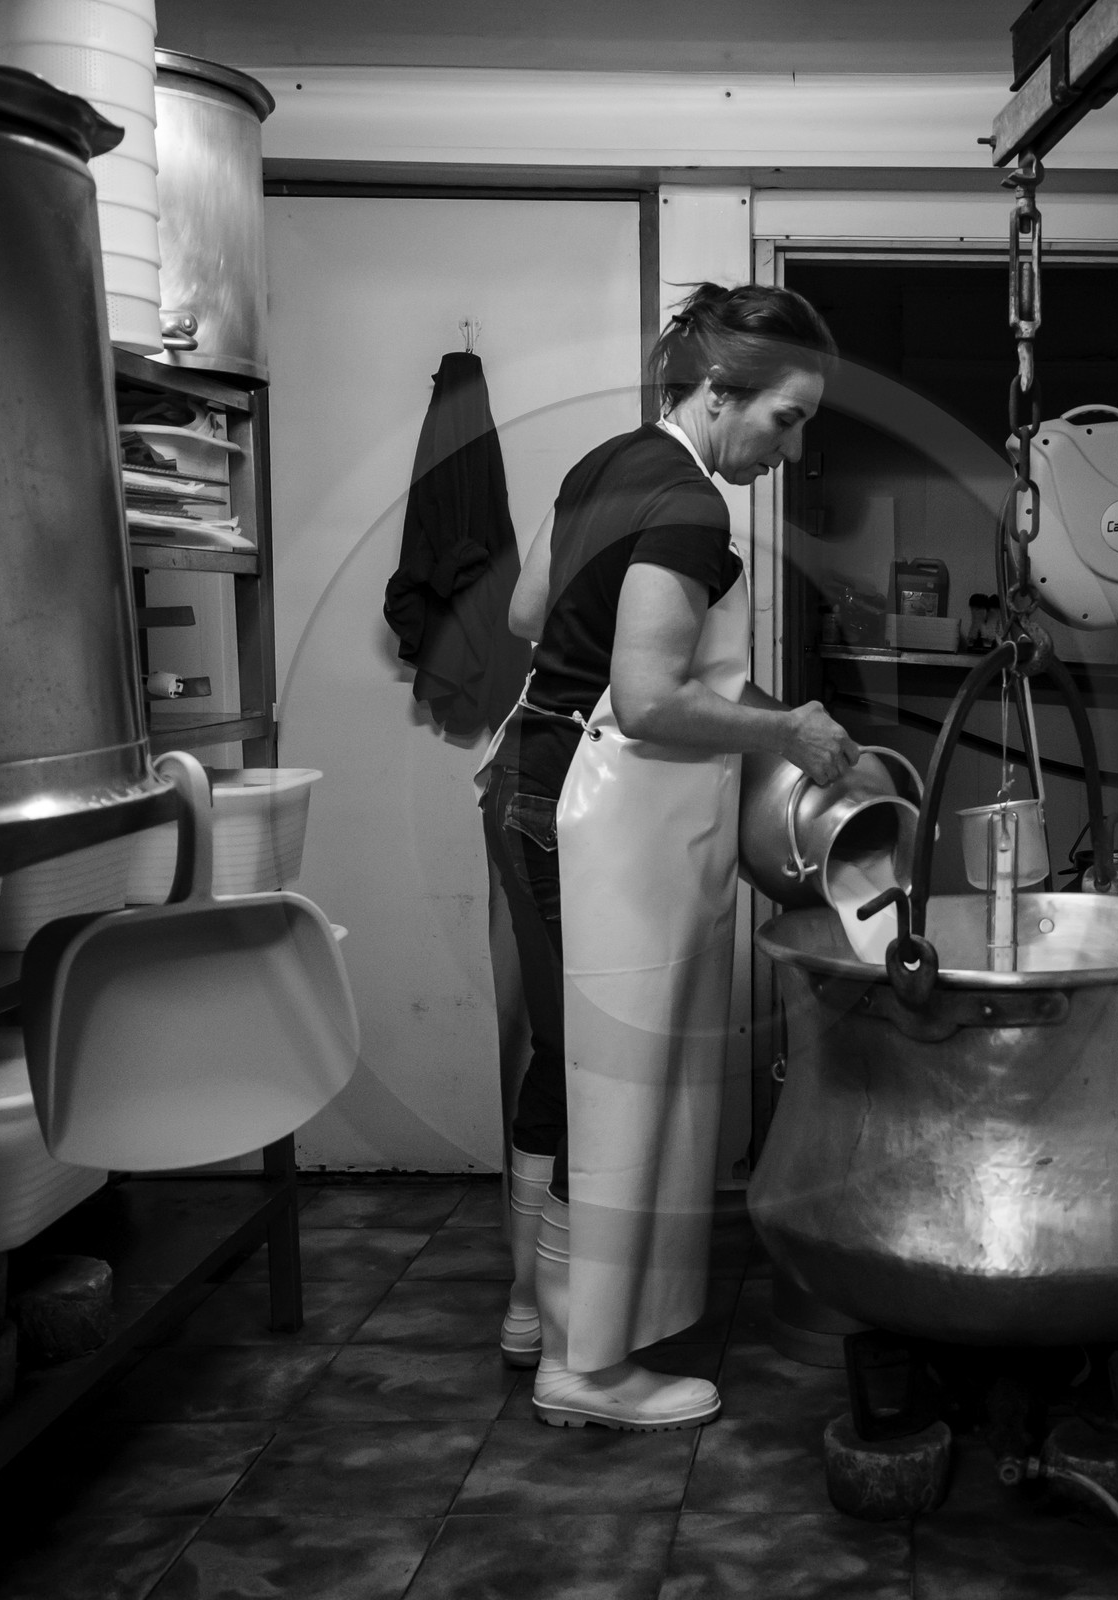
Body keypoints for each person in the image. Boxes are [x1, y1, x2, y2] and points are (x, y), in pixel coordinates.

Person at [477, 281, 856, 1431]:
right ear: (717, 392)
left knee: (565, 1054)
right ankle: (586, 1371)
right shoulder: (691, 510)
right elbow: (644, 701)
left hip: (528, 784)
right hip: (587, 810)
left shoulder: (604, 462)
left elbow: (527, 615)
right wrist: (790, 729)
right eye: (784, 419)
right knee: (616, 1072)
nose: (789, 446)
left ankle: (532, 1313)